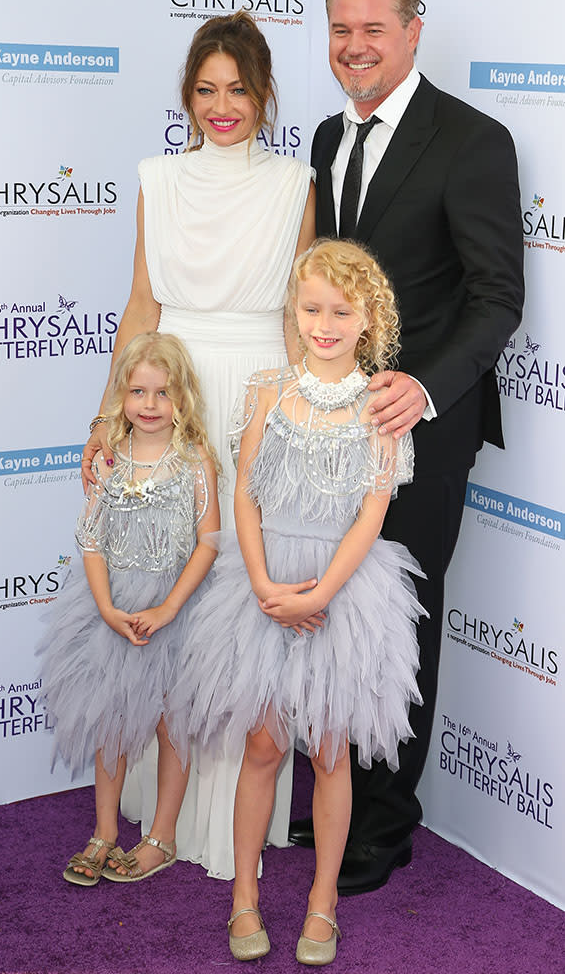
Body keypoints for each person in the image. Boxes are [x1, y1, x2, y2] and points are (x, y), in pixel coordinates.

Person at [288, 0, 525, 895]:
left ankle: (387, 822)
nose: (353, 47)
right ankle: (340, 799)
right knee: (336, 609)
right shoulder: (320, 136)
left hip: (422, 424)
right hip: (330, 424)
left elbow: (495, 298)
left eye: (372, 30)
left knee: (402, 619)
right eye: (340, 29)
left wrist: (421, 390)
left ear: (412, 30)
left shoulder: (473, 140)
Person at [80, 11, 316, 879]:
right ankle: (154, 810)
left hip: (255, 393)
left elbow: (297, 322)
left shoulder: (296, 182)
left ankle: (228, 829)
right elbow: (141, 304)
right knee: (161, 588)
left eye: (239, 91)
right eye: (207, 91)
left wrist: (300, 426)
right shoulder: (158, 178)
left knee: (235, 595)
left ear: (263, 96)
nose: (223, 107)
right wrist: (108, 416)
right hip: (168, 391)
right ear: (187, 96)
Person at [174, 239, 425, 965]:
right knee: (260, 742)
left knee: (327, 749)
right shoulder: (266, 390)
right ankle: (243, 898)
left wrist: (321, 591)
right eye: (311, 309)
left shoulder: (381, 406)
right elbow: (244, 494)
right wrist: (260, 584)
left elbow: (372, 514)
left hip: (341, 589)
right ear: (294, 311)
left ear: (368, 321)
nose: (323, 324)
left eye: (340, 312)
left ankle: (322, 905)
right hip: (261, 579)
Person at [37, 332, 220, 885]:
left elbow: (208, 542)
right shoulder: (109, 462)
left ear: (183, 400)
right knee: (108, 719)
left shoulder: (195, 463)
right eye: (137, 391)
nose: (148, 404)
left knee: (174, 721)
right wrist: (106, 608)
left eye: (162, 393)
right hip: (112, 608)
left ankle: (161, 835)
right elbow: (91, 541)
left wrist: (167, 607)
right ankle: (104, 831)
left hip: (176, 610)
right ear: (121, 397)